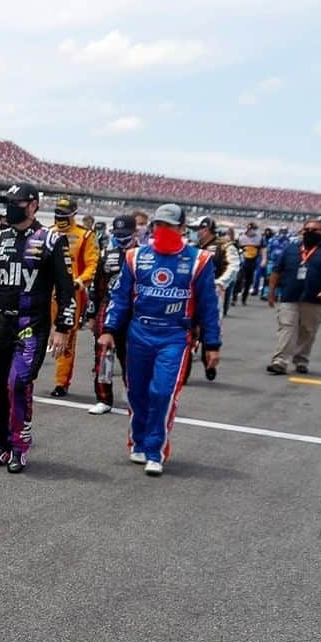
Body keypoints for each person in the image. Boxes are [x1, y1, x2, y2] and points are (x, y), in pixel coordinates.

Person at [100, 203, 221, 476]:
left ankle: (156, 450)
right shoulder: (134, 257)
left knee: (163, 393)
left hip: (175, 336)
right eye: (159, 224)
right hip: (139, 333)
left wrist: (212, 345)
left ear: (181, 229)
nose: (163, 230)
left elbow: (209, 306)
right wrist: (108, 329)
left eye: (169, 225)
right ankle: (139, 441)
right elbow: (120, 298)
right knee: (136, 391)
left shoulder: (198, 260)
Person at [0, 184, 74, 474]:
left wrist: (63, 328)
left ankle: (19, 446)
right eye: (8, 202)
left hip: (31, 327)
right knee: (1, 389)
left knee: (19, 383)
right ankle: (3, 446)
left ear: (33, 205)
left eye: (16, 202)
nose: (11, 207)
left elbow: (67, 290)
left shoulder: (52, 240)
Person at [265, 217, 321, 375]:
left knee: (308, 330)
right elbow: (276, 271)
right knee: (287, 327)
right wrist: (271, 292)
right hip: (289, 295)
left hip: (316, 298)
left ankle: (301, 359)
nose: (309, 233)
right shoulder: (290, 249)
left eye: (314, 230)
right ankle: (280, 361)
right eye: (306, 230)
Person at [48, 196, 98, 398]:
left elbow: (92, 265)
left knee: (67, 337)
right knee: (34, 333)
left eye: (64, 214)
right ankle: (26, 378)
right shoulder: (47, 233)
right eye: (57, 213)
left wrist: (79, 281)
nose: (60, 218)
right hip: (45, 293)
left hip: (71, 294)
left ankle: (61, 383)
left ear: (74, 214)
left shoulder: (85, 236)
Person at [87, 214, 136, 414]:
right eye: (117, 234)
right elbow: (96, 286)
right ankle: (104, 399)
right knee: (103, 355)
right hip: (107, 308)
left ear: (134, 233)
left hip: (135, 311)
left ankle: (132, 394)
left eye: (125, 234)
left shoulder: (145, 254)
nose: (121, 237)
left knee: (132, 356)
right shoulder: (106, 253)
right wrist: (91, 314)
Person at [192, 216, 239, 380]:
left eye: (197, 229)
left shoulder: (225, 245)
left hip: (213, 291)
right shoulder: (192, 247)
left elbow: (234, 266)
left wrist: (221, 283)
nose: (195, 233)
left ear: (206, 229)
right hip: (192, 291)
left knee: (210, 326)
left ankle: (208, 361)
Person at [235, 222, 262, 305]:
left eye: (254, 230)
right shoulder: (241, 238)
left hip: (252, 262)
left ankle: (244, 299)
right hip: (242, 261)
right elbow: (236, 249)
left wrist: (263, 259)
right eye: (250, 229)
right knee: (239, 279)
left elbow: (263, 249)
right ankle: (234, 297)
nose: (252, 231)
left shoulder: (259, 238)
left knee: (248, 281)